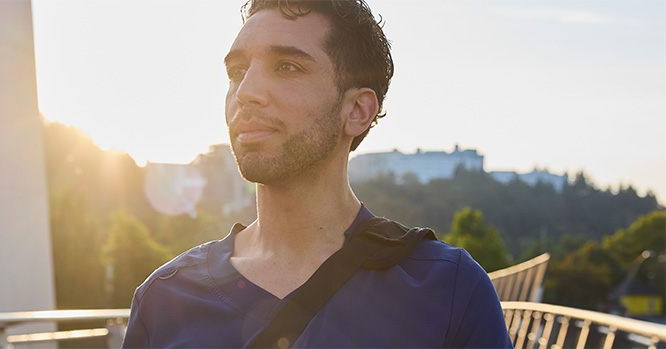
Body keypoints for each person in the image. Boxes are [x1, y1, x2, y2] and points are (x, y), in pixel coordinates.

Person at [123, 0, 513, 347]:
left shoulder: (448, 290)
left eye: (287, 67)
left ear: (357, 111)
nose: (246, 92)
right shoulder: (164, 299)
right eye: (238, 70)